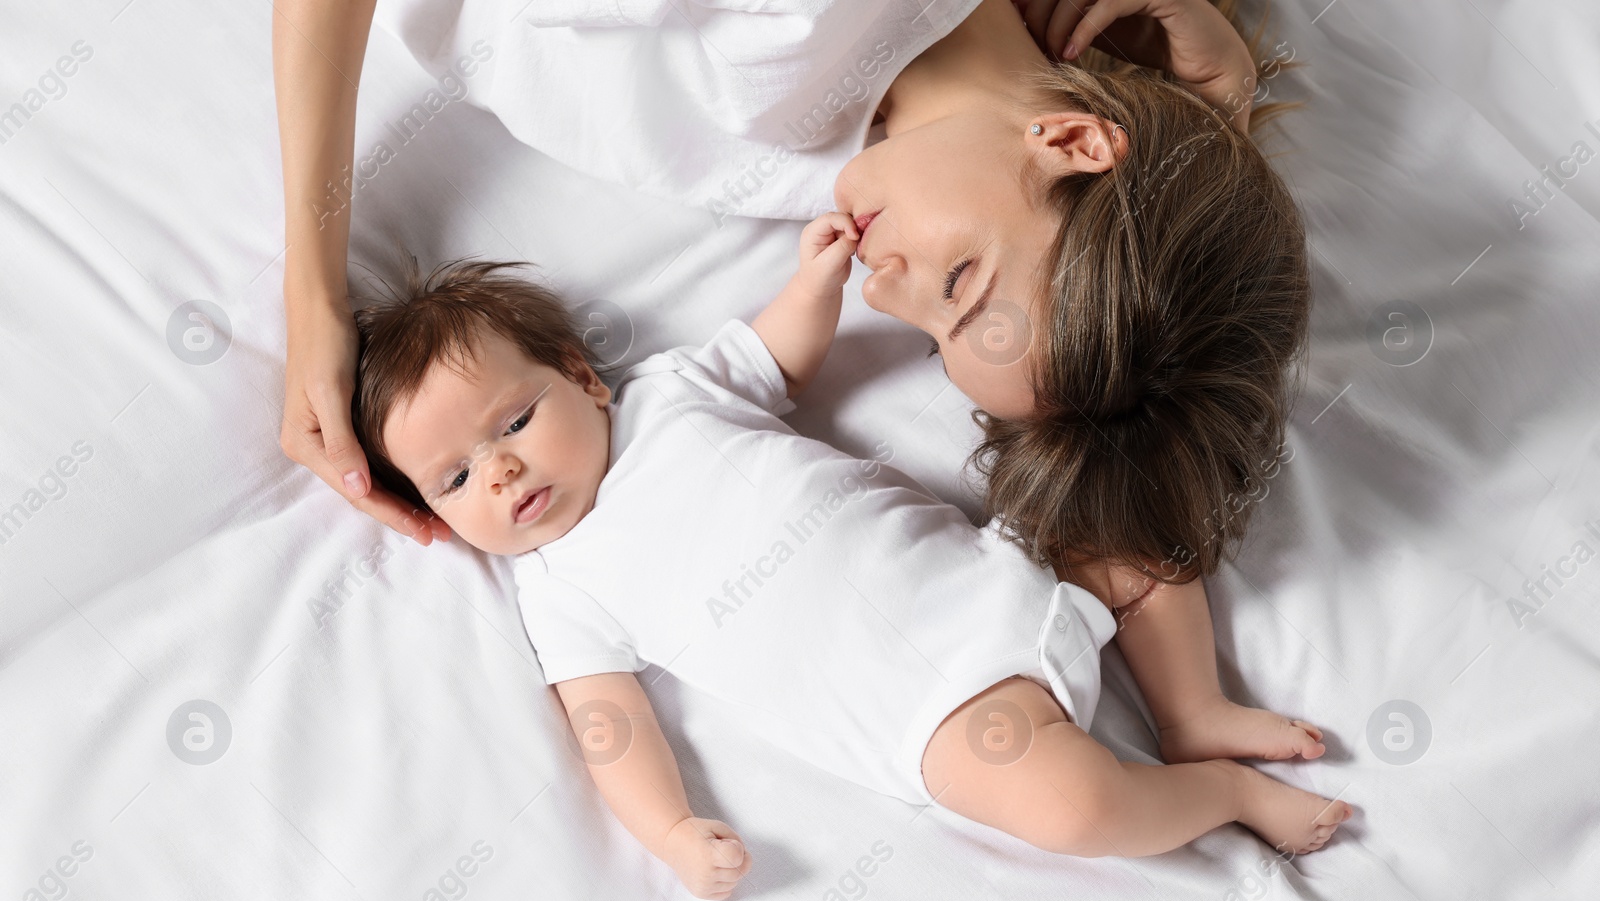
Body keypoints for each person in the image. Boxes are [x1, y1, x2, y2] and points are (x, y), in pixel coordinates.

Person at [273, 0, 1317, 771]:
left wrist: (1215, 100)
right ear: (1075, 141)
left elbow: (1103, 380)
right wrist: (313, 287)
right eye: (959, 282)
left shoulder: (879, 148)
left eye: (930, 326)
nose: (884, 284)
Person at [344, 222, 1348, 899]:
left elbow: (777, 354)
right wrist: (672, 830)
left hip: (998, 565)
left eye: (514, 419)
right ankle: (1223, 794)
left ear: (581, 377)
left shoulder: (669, 394)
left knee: (1127, 509)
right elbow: (610, 724)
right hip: (944, 717)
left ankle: (1191, 710)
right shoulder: (558, 587)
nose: (503, 467)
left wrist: (813, 281)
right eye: (453, 478)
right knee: (1073, 804)